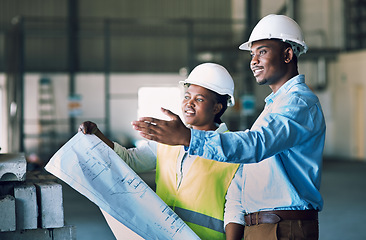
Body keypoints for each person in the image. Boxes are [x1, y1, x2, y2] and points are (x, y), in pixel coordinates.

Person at [132, 14, 326, 240]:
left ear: (287, 54)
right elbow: (244, 180)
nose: (253, 61)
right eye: (252, 54)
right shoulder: (274, 107)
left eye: (262, 51)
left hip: (282, 227)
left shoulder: (298, 103)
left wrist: (189, 138)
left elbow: (256, 144)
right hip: (262, 226)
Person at [79, 62, 241, 240]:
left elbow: (235, 210)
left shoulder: (232, 148)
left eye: (199, 99)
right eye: (187, 97)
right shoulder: (168, 140)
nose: (189, 103)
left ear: (217, 107)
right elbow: (129, 159)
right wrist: (97, 135)